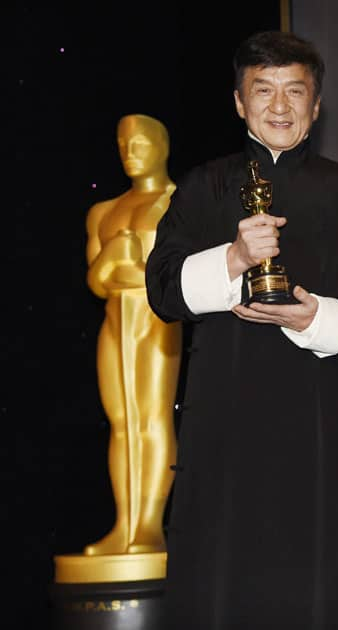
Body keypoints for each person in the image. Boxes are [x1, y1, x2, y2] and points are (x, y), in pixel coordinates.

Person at [145, 31, 338, 629]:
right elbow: (161, 289)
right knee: (220, 571)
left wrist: (313, 317)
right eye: (264, 91)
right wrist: (231, 259)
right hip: (222, 412)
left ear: (315, 106)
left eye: (294, 91)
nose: (279, 106)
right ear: (239, 102)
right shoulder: (203, 186)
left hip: (316, 412)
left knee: (319, 567)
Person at [84, 113, 181, 558]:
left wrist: (131, 264)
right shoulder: (103, 211)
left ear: (161, 146)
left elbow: (179, 278)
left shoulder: (177, 201)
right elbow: (97, 281)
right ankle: (124, 524)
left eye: (139, 142)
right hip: (114, 319)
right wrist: (112, 256)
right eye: (123, 144)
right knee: (122, 425)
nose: (130, 152)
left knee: (152, 417)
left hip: (155, 321)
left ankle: (149, 524)